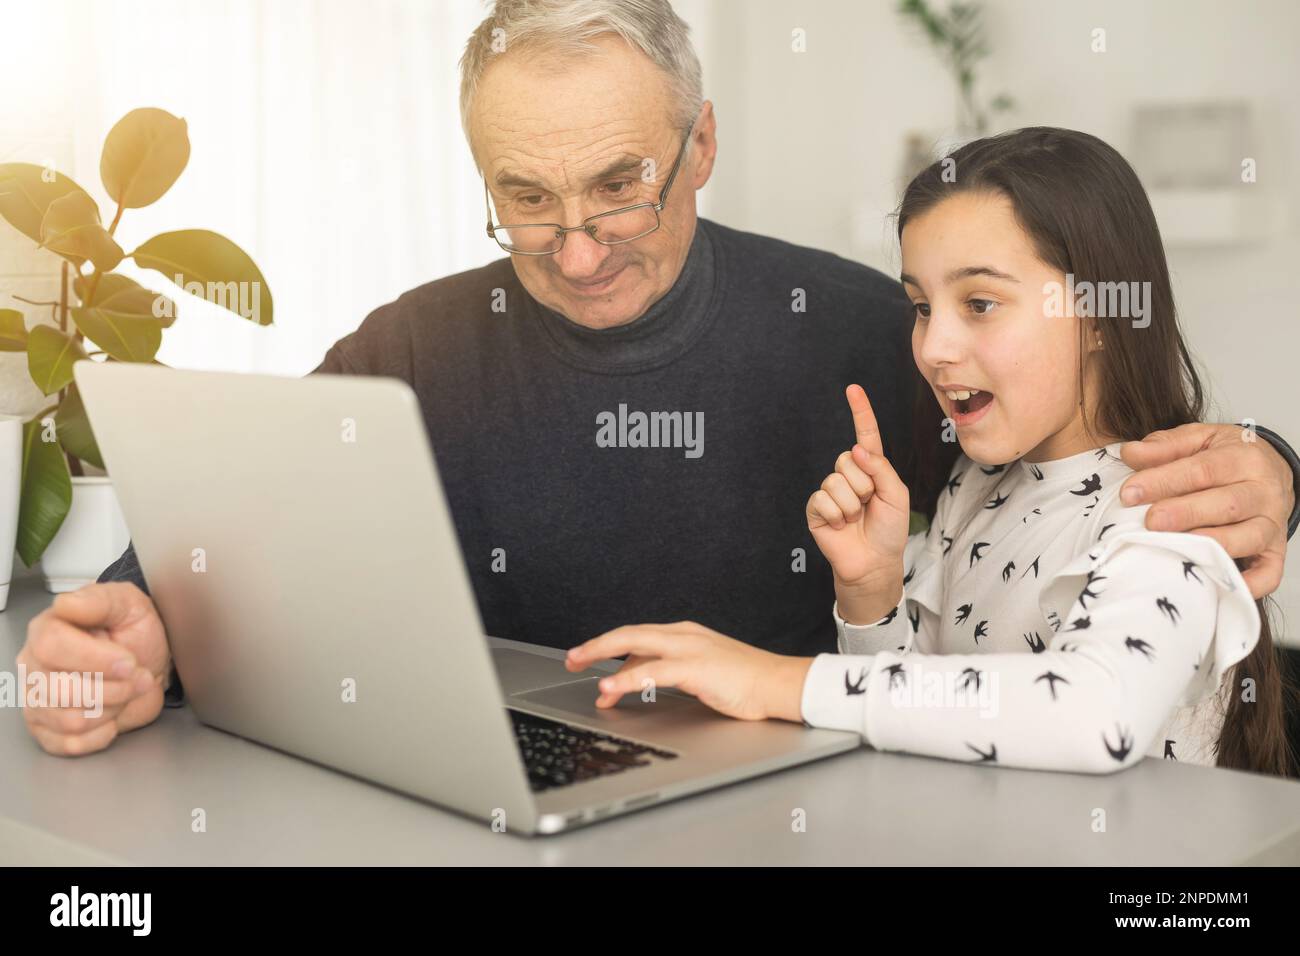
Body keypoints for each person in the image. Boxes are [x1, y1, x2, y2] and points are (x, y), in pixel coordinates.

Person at [18, 3, 1299, 759]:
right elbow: (232, 536)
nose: (573, 247)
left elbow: (1082, 452)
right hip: (506, 799)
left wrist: (1273, 466)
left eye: (618, 183)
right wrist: (138, 624)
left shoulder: (868, 333)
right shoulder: (410, 346)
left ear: (701, 149)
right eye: (524, 197)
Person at [565, 127, 1296, 776]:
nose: (933, 348)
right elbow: (918, 724)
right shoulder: (978, 486)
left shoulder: (1173, 508)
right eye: (921, 307)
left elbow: (1093, 716)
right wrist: (871, 592)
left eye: (979, 303)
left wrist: (777, 682)